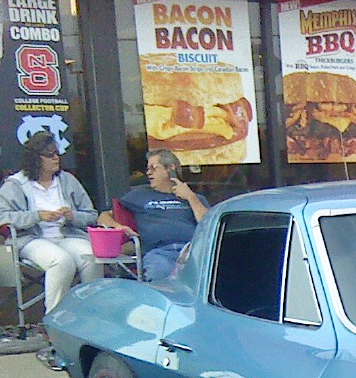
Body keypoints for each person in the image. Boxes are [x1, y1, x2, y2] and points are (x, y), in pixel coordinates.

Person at [0, 130, 103, 310]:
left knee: (92, 257)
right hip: (33, 239)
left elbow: (91, 214)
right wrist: (37, 216)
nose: (56, 158)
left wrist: (72, 215)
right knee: (61, 261)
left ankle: (91, 311)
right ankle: (54, 318)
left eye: (57, 154)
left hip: (67, 235)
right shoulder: (15, 184)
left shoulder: (68, 180)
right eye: (50, 155)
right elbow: (3, 216)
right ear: (36, 158)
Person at [98, 148, 208, 281]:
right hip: (160, 252)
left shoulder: (195, 198)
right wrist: (118, 227)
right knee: (161, 276)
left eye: (153, 168)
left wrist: (190, 197)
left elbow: (207, 225)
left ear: (170, 168)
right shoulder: (139, 194)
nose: (148, 173)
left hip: (193, 251)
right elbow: (103, 217)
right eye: (148, 169)